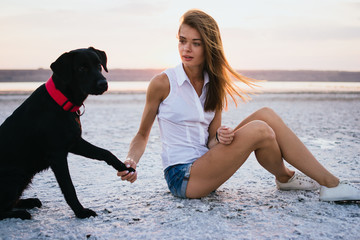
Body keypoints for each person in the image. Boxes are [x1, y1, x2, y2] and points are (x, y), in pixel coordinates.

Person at [118, 9, 360, 201]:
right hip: (183, 177)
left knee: (266, 116)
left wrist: (221, 137)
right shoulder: (162, 83)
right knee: (259, 129)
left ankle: (286, 178)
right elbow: (142, 134)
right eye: (182, 41)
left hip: (207, 162)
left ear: (209, 46)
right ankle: (330, 185)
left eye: (195, 43)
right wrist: (131, 161)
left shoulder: (214, 83)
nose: (186, 49)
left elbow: (211, 141)